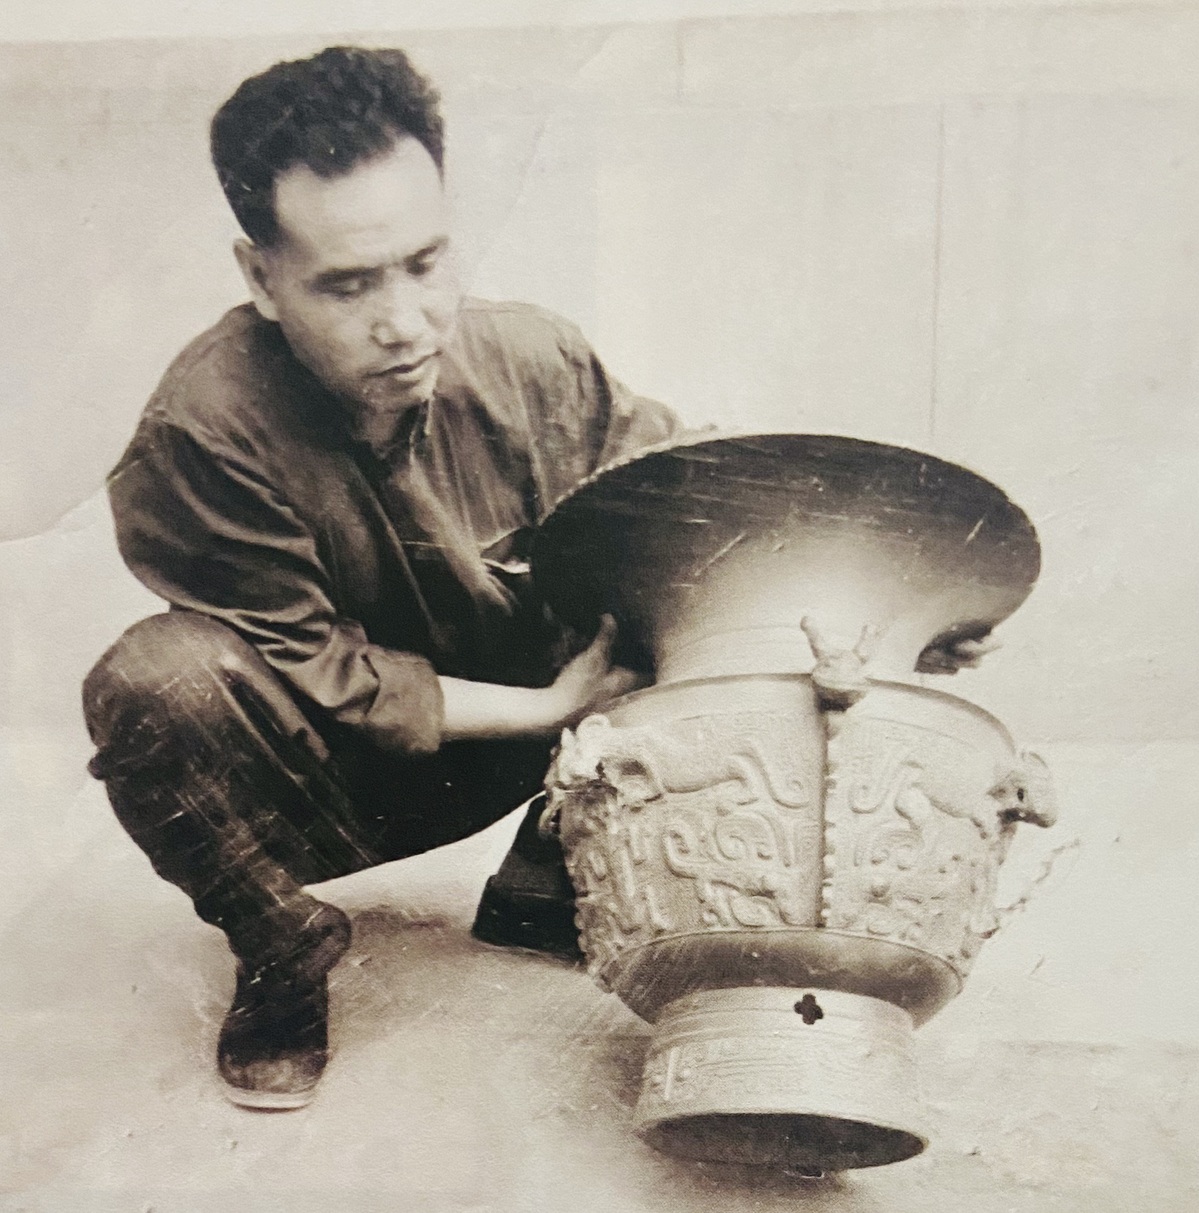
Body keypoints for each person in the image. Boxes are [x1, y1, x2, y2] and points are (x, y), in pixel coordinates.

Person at [81, 45, 680, 1111]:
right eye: (347, 285)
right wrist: (553, 704)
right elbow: (327, 675)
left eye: (425, 262)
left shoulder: (532, 359)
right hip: (335, 779)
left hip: (527, 747)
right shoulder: (201, 429)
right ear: (260, 277)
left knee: (676, 558)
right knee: (151, 681)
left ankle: (552, 869)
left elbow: (696, 495)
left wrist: (912, 599)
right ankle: (281, 946)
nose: (404, 322)